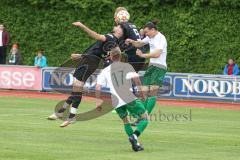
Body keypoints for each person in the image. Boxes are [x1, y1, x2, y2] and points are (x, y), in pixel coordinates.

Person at [48, 21, 123, 127]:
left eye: (119, 26)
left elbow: (96, 36)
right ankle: (63, 113)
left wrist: (82, 25)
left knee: (77, 90)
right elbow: (98, 54)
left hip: (88, 63)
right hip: (88, 61)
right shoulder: (113, 42)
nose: (117, 26)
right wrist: (80, 56)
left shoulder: (110, 37)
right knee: (76, 90)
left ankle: (67, 115)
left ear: (120, 32)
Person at [95, 47, 148, 152]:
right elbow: (137, 80)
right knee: (145, 118)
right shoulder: (127, 66)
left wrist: (98, 101)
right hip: (127, 96)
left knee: (125, 121)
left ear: (110, 57)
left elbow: (97, 87)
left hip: (115, 100)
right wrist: (142, 94)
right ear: (120, 56)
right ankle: (135, 136)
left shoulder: (105, 70)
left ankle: (136, 145)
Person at [126, 20, 168, 115]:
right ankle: (141, 114)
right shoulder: (150, 37)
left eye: (147, 32)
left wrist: (143, 55)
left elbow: (157, 54)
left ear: (153, 30)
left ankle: (144, 116)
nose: (146, 34)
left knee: (152, 92)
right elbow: (139, 43)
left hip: (159, 67)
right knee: (144, 92)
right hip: (151, 66)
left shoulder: (160, 38)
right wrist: (131, 41)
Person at [114, 7, 145, 72]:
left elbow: (121, 46)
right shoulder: (131, 25)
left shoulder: (122, 26)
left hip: (133, 55)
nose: (114, 18)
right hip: (140, 54)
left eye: (115, 16)